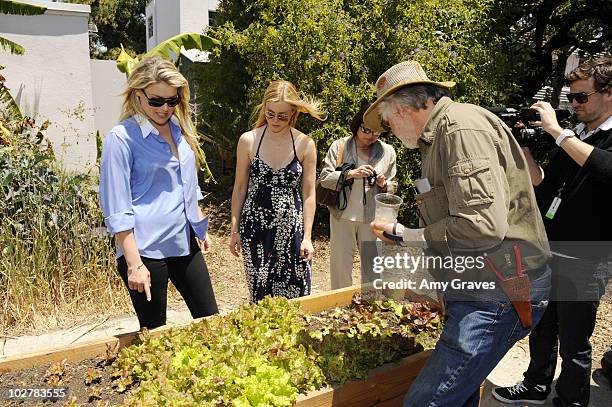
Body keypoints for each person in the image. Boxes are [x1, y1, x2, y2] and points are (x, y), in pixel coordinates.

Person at [365, 60, 552, 407]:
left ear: (403, 108)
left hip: (498, 291)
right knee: (460, 394)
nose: (389, 130)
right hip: (481, 284)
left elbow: (481, 226)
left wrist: (411, 235)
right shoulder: (438, 138)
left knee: (426, 402)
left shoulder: (460, 131)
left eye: (388, 122)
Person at [493, 56, 611, 406]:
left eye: (581, 97)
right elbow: (543, 185)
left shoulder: (586, 138)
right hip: (549, 247)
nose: (573, 104)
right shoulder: (579, 135)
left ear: (608, 93)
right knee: (542, 324)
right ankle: (536, 384)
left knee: (575, 339)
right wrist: (522, 147)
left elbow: (605, 168)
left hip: (588, 255)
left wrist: (558, 133)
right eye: (570, 98)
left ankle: (571, 399)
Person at [99, 56, 218, 329]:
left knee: (212, 323)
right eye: (156, 101)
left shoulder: (179, 130)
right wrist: (133, 264)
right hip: (146, 251)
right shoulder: (121, 139)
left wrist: (200, 225)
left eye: (172, 101)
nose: (165, 108)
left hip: (184, 242)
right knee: (156, 337)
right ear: (137, 94)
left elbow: (187, 183)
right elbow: (117, 207)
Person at [229, 80, 324, 302]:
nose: (275, 120)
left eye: (282, 116)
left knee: (297, 293)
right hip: (256, 229)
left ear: (293, 113)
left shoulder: (305, 144)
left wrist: (308, 237)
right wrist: (235, 230)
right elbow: (240, 187)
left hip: (292, 230)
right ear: (264, 108)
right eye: (270, 114)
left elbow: (309, 194)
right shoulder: (248, 140)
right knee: (260, 295)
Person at [319, 101, 397, 289]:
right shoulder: (340, 146)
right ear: (357, 125)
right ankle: (340, 304)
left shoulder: (387, 152)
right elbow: (324, 178)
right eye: (366, 130)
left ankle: (371, 304)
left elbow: (394, 186)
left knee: (373, 267)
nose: (370, 136)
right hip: (342, 215)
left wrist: (384, 184)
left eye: (376, 132)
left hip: (373, 218)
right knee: (340, 266)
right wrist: (350, 174)